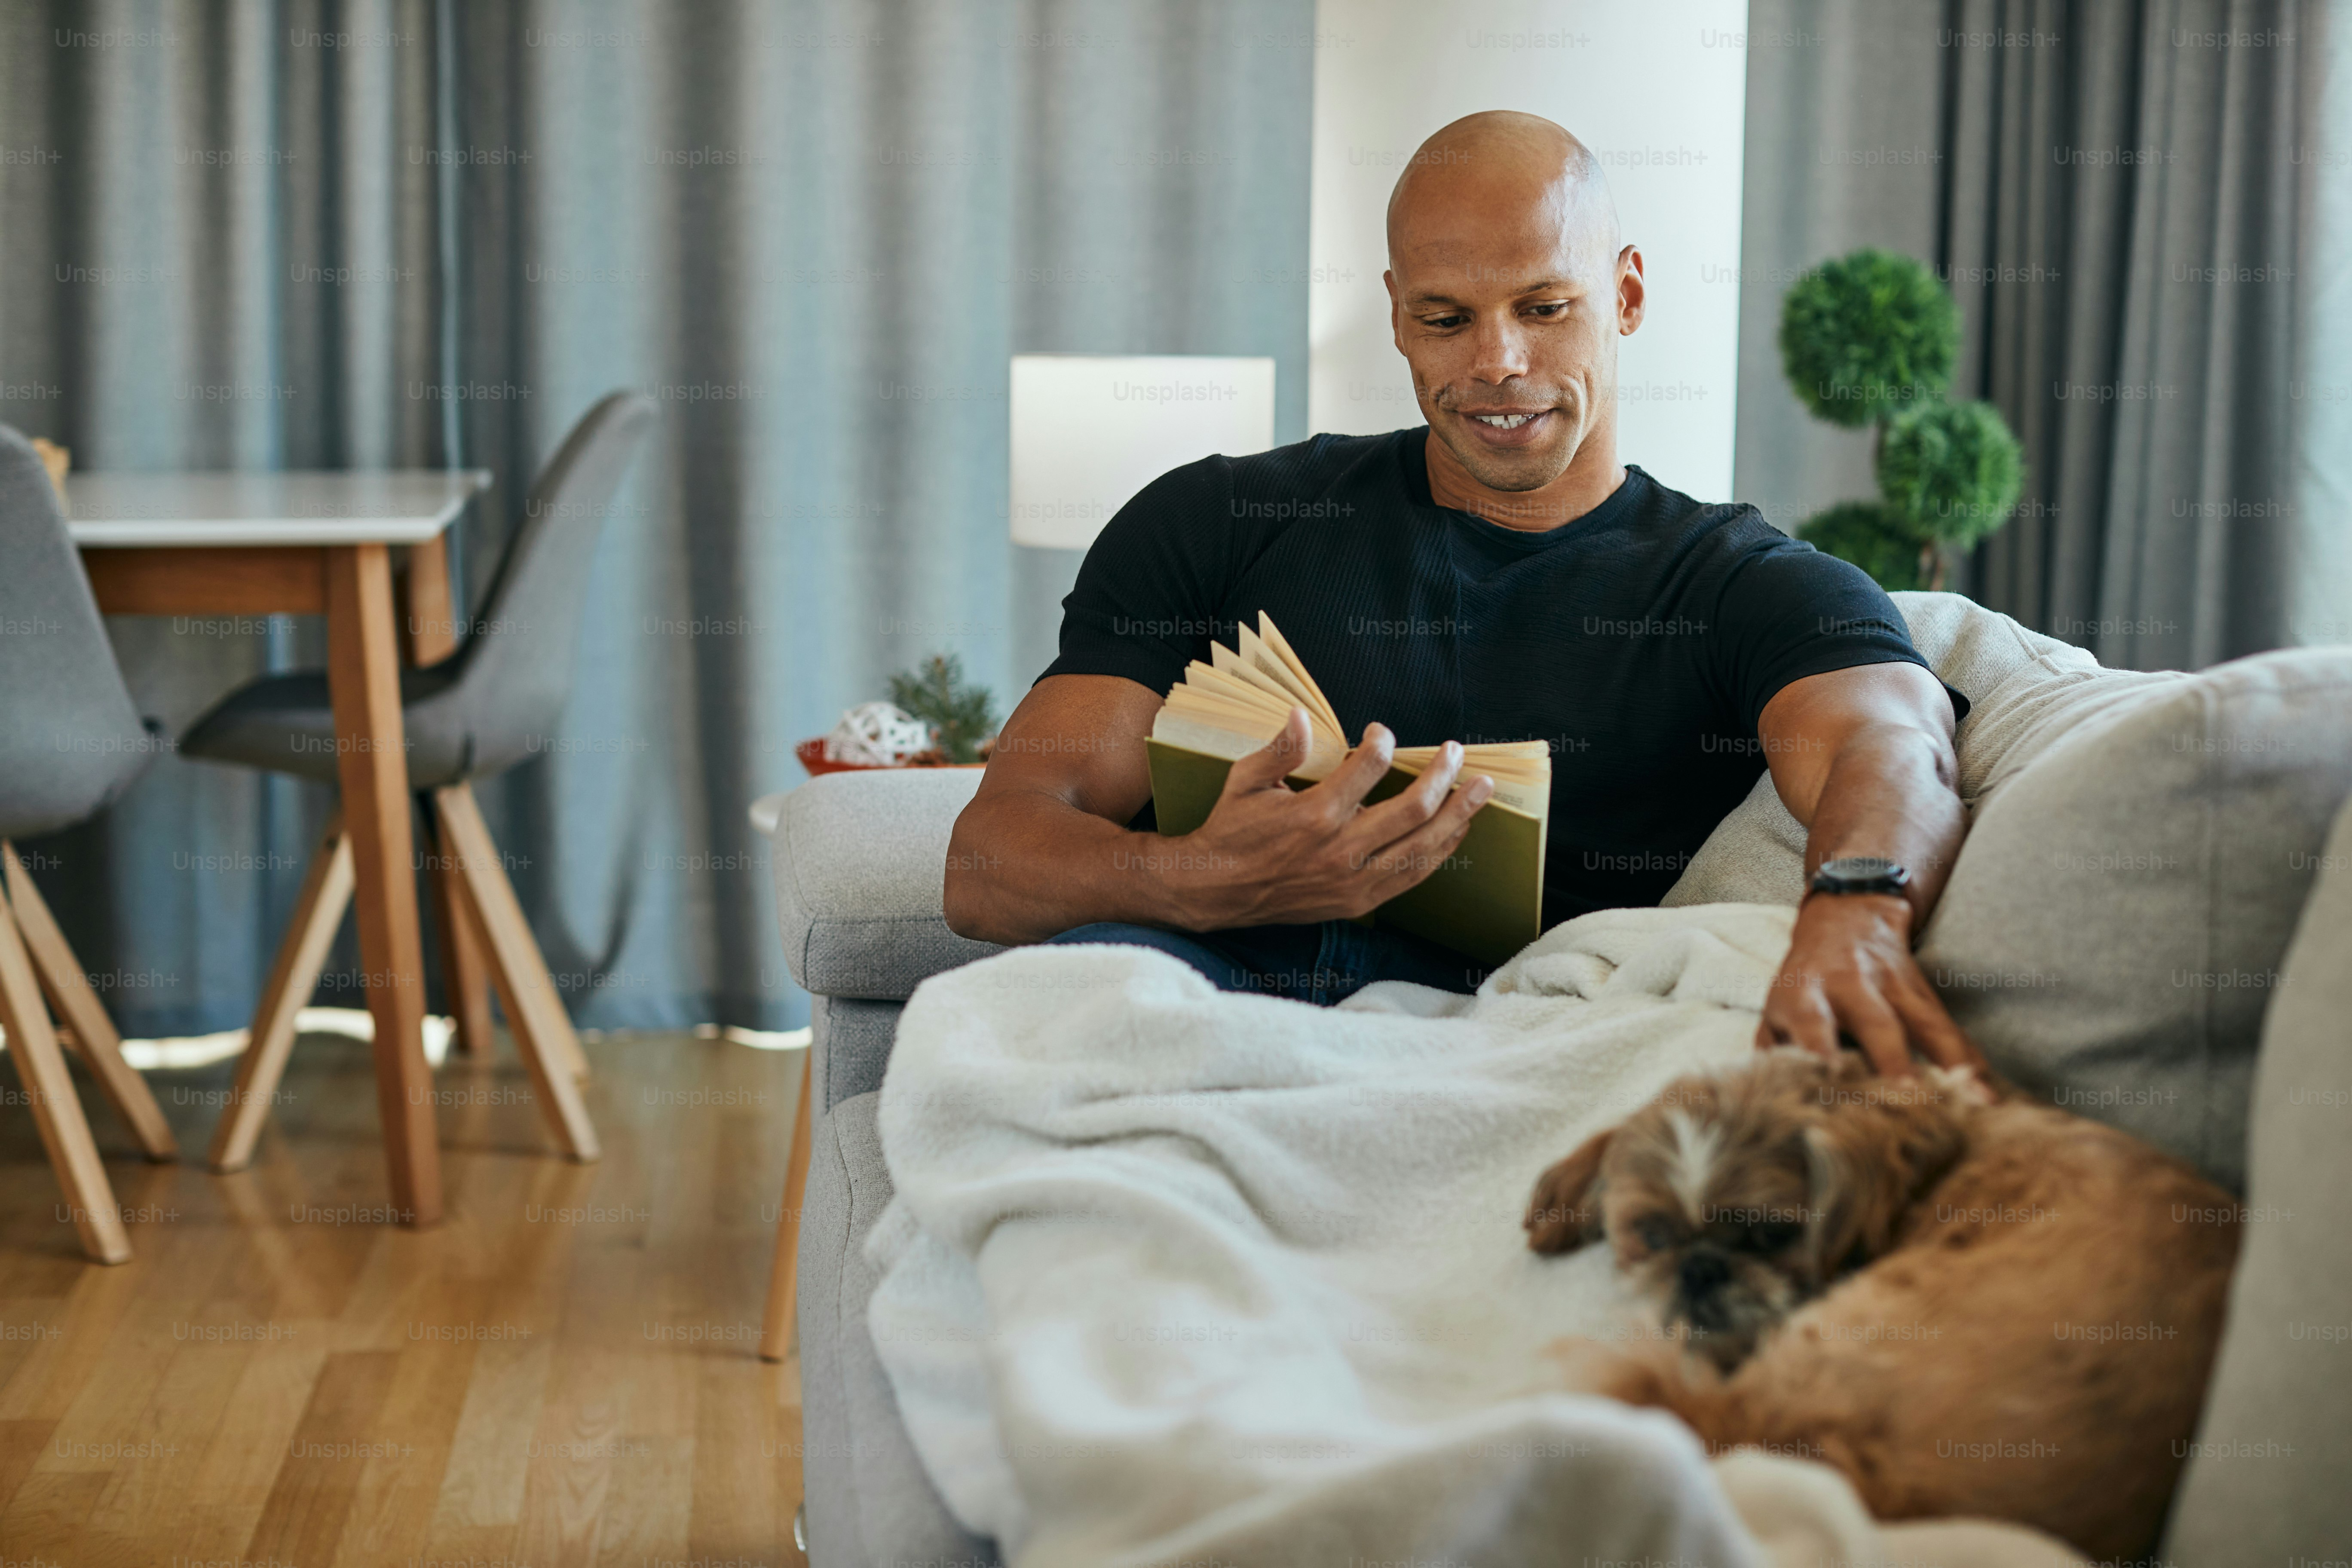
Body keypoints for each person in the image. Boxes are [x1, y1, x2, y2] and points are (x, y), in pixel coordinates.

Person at [944, 110, 1977, 1078]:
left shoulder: (1737, 583)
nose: (1498, 364)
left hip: (1521, 1049)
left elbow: (1886, 744)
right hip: (1199, 1005)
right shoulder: (1217, 520)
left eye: (1544, 308)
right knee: (1043, 1018)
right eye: (1446, 318)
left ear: (1625, 296)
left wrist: (1857, 907)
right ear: (1396, 314)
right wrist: (1206, 880)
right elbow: (992, 859)